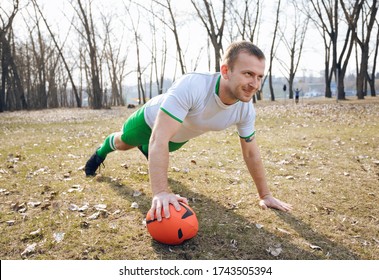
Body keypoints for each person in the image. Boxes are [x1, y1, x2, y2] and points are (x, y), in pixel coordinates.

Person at [84, 41, 292, 222]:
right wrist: (161, 192)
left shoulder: (245, 109)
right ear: (226, 71)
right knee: (123, 144)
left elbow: (250, 153)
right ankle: (101, 150)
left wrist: (265, 195)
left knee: (163, 147)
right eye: (248, 74)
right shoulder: (194, 85)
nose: (254, 84)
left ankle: (148, 152)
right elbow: (159, 137)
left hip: (176, 138)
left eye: (259, 77)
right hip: (150, 122)